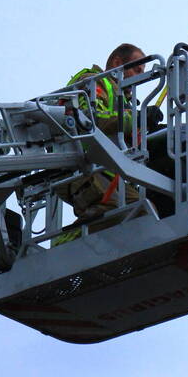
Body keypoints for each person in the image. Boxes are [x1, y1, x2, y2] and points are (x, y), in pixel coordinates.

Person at [57, 44, 165, 241]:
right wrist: (137, 118)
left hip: (107, 171)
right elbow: (93, 121)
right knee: (127, 211)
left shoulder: (122, 99)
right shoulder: (92, 83)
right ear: (117, 63)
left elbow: (124, 136)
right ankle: (63, 243)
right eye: (136, 69)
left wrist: (150, 127)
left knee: (146, 213)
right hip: (80, 166)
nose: (138, 76)